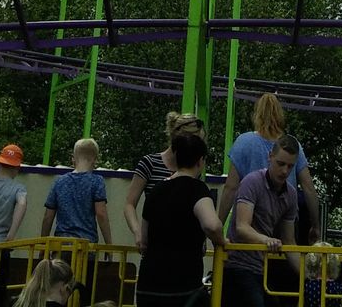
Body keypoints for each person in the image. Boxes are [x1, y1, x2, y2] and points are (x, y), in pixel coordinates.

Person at [137, 129, 226, 307]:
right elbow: (212, 225)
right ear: (200, 161)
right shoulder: (197, 189)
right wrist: (221, 241)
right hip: (182, 286)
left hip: (148, 284)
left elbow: (144, 238)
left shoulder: (156, 191)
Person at [220, 93, 319, 233]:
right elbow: (308, 188)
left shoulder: (243, 142)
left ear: (257, 115)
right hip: (283, 225)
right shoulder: (292, 145)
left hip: (248, 224)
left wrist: (219, 225)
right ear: (280, 115)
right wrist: (315, 225)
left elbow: (230, 188)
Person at [222, 137, 303, 307]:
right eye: (280, 164)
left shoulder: (291, 194)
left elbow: (289, 241)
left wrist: (310, 276)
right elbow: (242, 227)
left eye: (290, 166)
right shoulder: (252, 182)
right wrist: (267, 240)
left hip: (261, 269)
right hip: (237, 265)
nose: (285, 171)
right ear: (270, 157)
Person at [126, 111, 203, 242]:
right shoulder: (150, 163)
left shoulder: (193, 168)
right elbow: (129, 203)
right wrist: (138, 232)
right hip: (155, 239)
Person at [44, 138, 112, 244]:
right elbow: (101, 214)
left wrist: (43, 245)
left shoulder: (59, 182)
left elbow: (48, 217)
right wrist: (109, 243)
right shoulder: (97, 181)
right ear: (95, 160)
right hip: (86, 244)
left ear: (73, 159)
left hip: (61, 244)